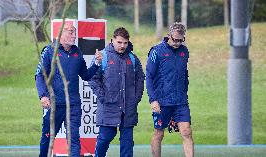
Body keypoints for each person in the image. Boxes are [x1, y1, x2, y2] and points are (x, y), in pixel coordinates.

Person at [35, 23, 103, 157]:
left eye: (75, 32)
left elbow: (86, 75)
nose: (74, 35)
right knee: (47, 137)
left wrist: (96, 63)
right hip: (55, 104)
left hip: (73, 105)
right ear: (61, 33)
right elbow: (39, 75)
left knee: (73, 139)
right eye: (70, 32)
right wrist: (43, 96)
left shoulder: (77, 52)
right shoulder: (49, 51)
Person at [89, 27, 145, 157]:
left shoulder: (133, 58)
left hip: (128, 108)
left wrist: (136, 98)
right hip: (108, 106)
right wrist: (103, 97)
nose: (122, 46)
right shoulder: (103, 56)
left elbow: (140, 79)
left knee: (127, 142)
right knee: (105, 138)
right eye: (119, 42)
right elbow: (93, 78)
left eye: (125, 43)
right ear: (112, 40)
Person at [146, 22, 194, 157]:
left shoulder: (184, 51)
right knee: (159, 133)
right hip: (162, 102)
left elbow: (184, 75)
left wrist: (184, 93)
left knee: (186, 132)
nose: (178, 43)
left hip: (181, 101)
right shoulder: (156, 51)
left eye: (181, 40)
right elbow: (149, 76)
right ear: (169, 35)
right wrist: (153, 100)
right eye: (175, 40)